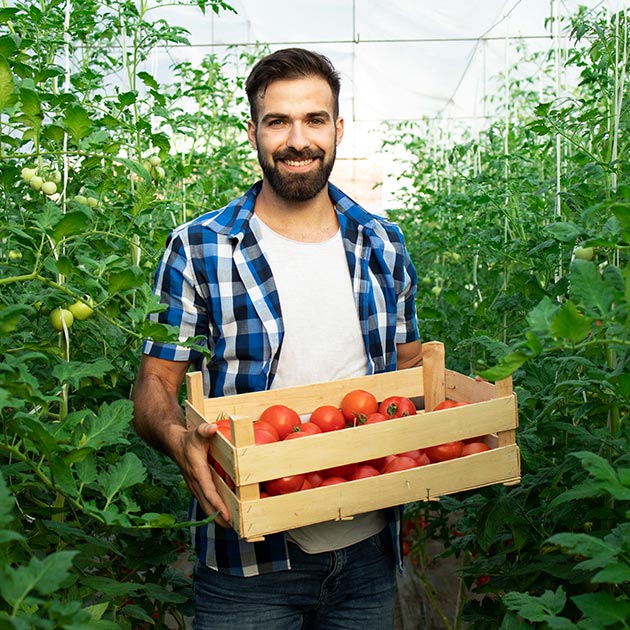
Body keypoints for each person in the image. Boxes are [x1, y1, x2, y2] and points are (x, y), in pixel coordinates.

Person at [131, 47, 423, 630]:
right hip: (248, 566)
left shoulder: (383, 245)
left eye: (315, 120)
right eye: (278, 121)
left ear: (337, 129)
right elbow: (153, 387)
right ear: (253, 132)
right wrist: (173, 434)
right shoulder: (200, 248)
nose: (298, 140)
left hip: (369, 554)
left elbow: (410, 375)